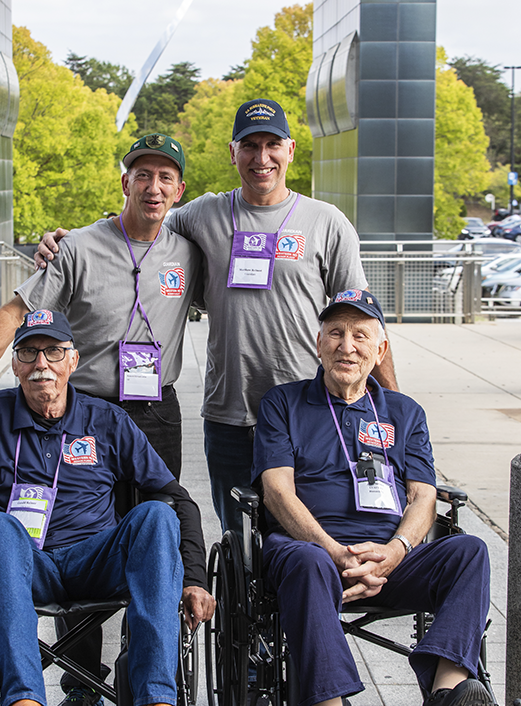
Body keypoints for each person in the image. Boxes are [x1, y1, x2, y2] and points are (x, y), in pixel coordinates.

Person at [0, 132, 200, 706]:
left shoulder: (190, 249)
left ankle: (145, 682)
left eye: (165, 178)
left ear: (179, 190)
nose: (153, 187)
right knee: (71, 516)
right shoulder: (76, 247)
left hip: (153, 409)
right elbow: (17, 314)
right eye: (141, 175)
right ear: (123, 181)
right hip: (84, 399)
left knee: (151, 529)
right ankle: (81, 679)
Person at [36, 99, 398, 536]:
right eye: (249, 146)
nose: (261, 158)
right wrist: (68, 240)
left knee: (309, 531)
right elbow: (139, 225)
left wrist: (390, 409)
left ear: (291, 150)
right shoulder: (202, 215)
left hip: (309, 410)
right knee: (237, 536)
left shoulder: (326, 223)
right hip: (230, 413)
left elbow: (366, 329)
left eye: (271, 145)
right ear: (233, 152)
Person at [0, 309, 215, 706]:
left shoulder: (108, 421)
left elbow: (176, 496)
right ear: (15, 363)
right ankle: (24, 704)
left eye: (53, 352)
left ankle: (156, 705)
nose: (41, 364)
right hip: (22, 562)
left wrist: (193, 577)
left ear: (72, 361)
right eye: (28, 352)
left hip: (94, 558)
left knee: (157, 515)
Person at [251, 289, 496, 706]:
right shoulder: (283, 403)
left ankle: (446, 697)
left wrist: (395, 550)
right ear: (317, 343)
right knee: (306, 560)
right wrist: (337, 552)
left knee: (469, 551)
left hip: (390, 558)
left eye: (361, 335)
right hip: (312, 552)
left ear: (379, 351)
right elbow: (277, 492)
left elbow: (424, 497)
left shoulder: (404, 413)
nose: (348, 346)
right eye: (336, 333)